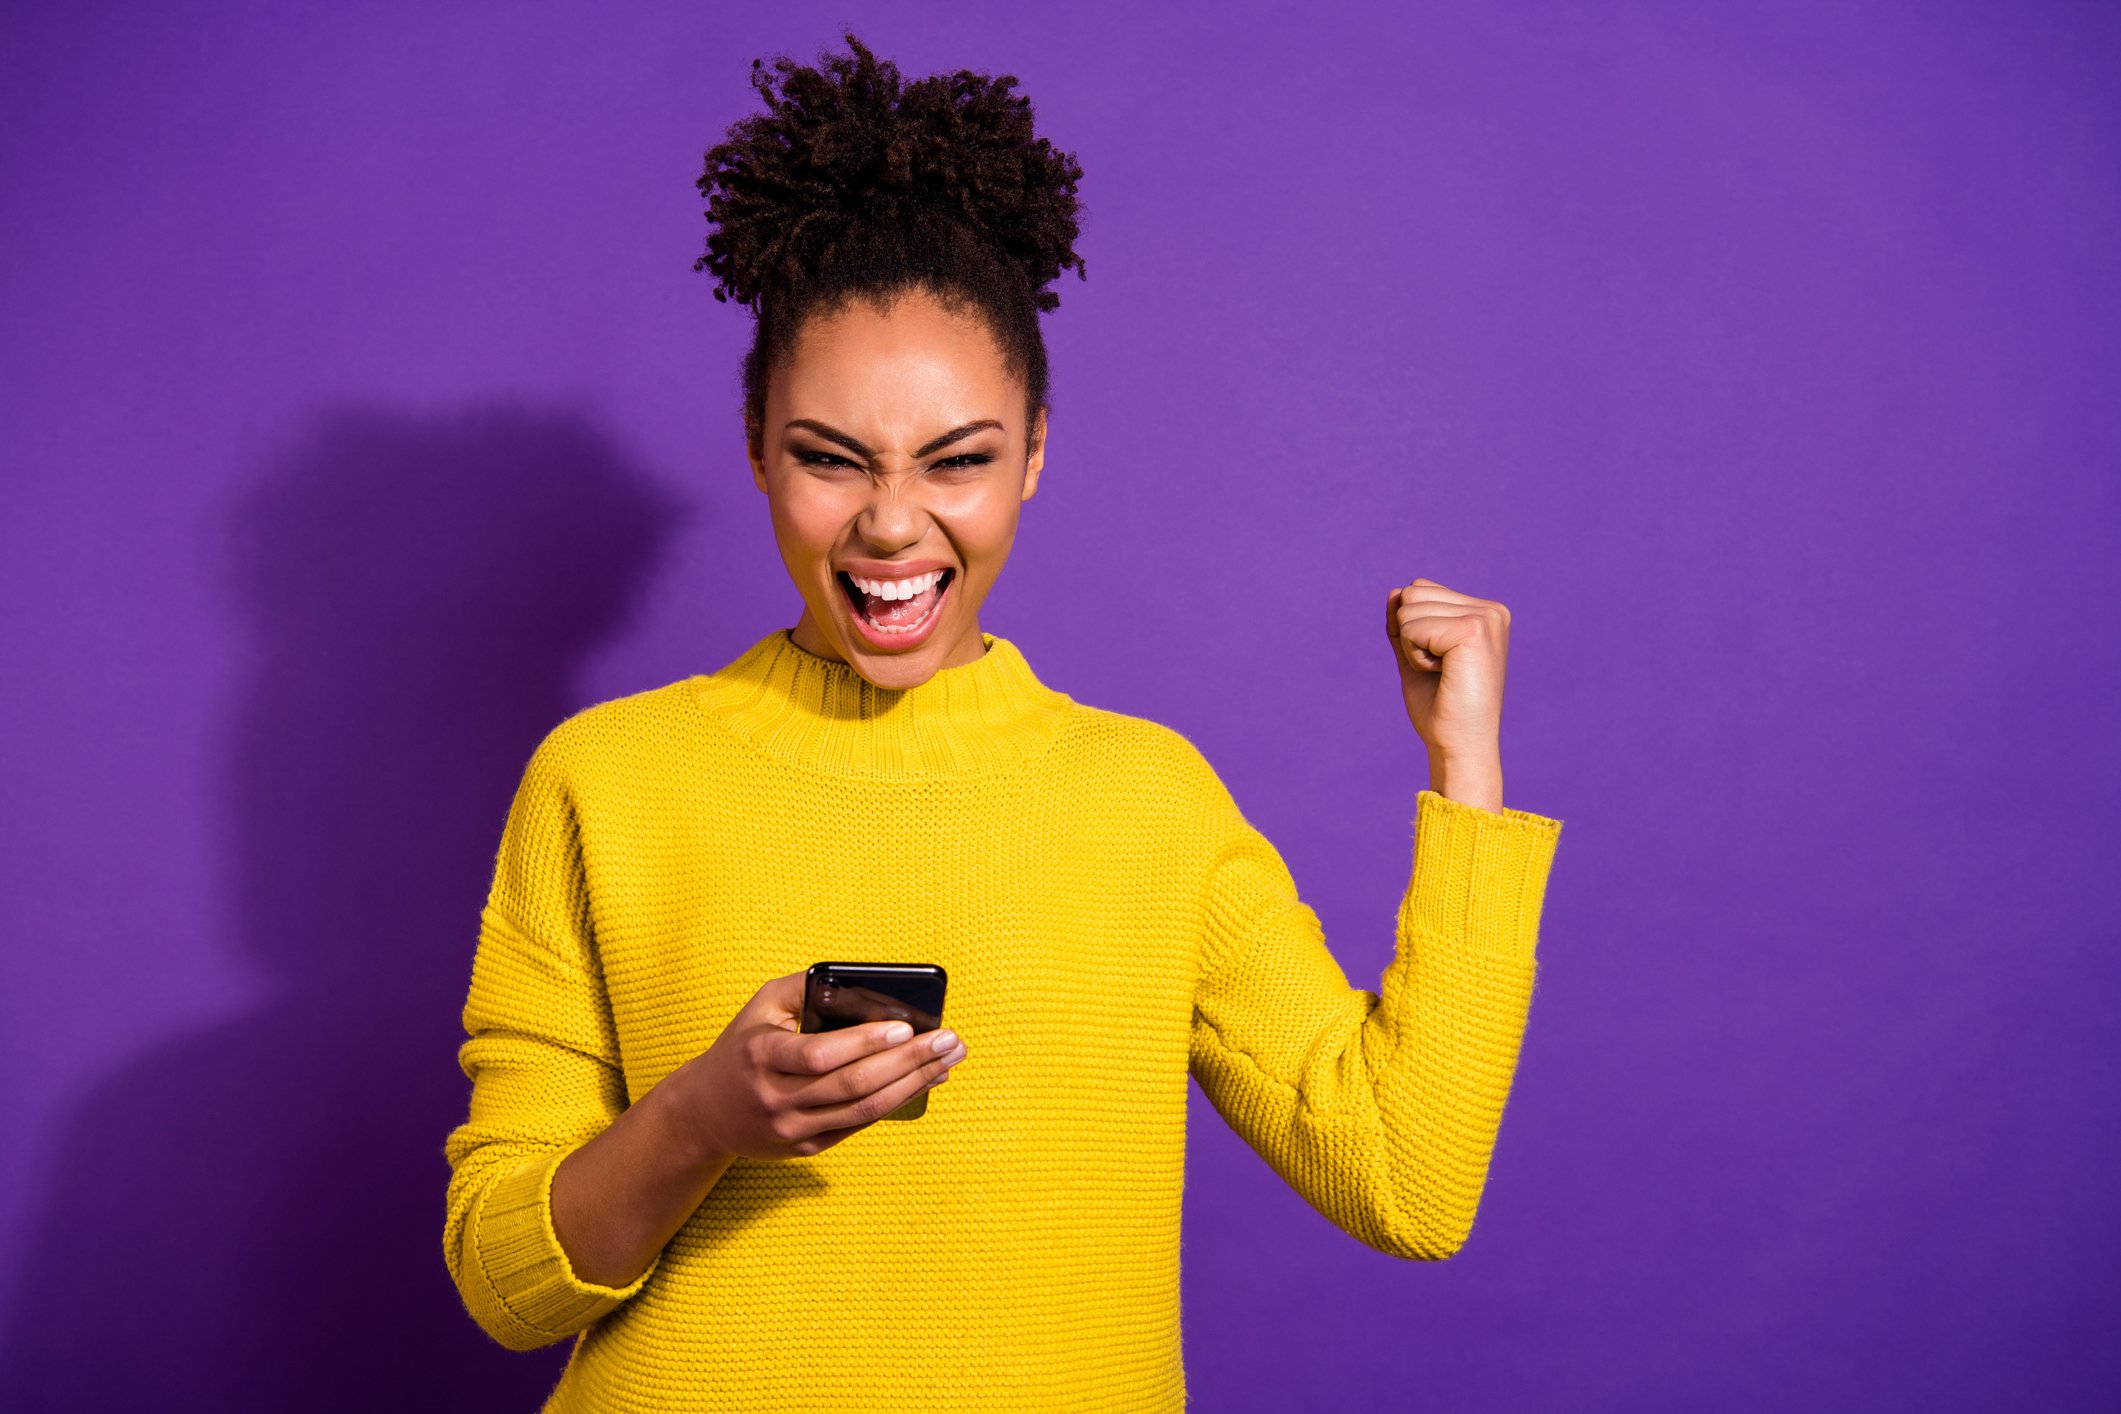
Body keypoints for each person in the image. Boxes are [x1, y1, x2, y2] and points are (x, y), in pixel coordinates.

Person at [441, 29, 1564, 1413]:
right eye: (827, 458)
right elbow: (504, 1282)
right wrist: (699, 1119)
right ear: (754, 448)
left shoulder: (1147, 799)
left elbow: (1410, 1173)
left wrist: (1466, 772)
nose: (892, 524)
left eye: (957, 460)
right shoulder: (604, 779)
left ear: (1033, 452)